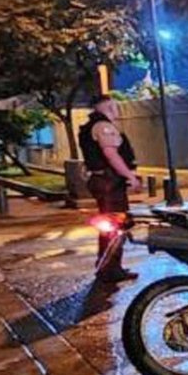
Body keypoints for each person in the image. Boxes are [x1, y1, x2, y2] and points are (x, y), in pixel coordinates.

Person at [79, 95, 141, 284]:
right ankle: (110, 269)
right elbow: (111, 155)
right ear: (107, 107)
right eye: (114, 106)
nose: (117, 110)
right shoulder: (103, 126)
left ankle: (107, 266)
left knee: (110, 226)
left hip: (104, 181)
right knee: (115, 225)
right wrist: (130, 176)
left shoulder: (91, 126)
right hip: (109, 182)